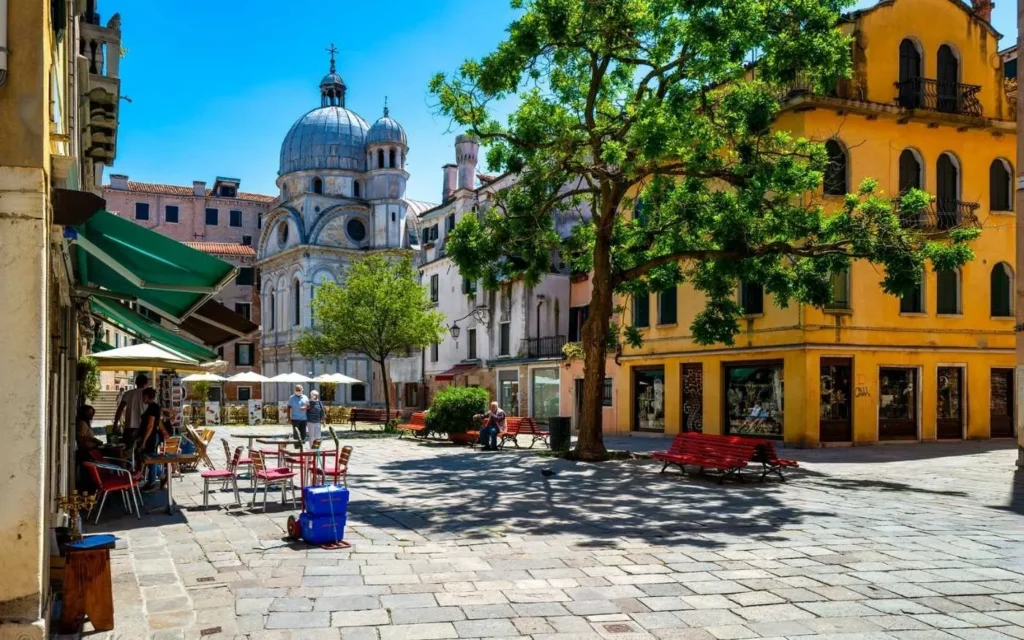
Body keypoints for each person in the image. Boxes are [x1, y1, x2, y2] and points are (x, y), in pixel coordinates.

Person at [138, 387, 169, 491]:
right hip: (152, 436)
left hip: (151, 437)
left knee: (151, 459)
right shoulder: (153, 407)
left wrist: (144, 441)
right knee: (151, 459)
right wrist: (164, 432)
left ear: (146, 396)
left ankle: (152, 483)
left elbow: (150, 425)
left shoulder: (152, 407)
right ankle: (162, 477)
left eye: (143, 396)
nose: (142, 398)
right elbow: (158, 422)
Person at [114, 374, 149, 453]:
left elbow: (120, 409)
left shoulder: (128, 394)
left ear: (136, 382)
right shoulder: (149, 395)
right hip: (145, 427)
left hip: (130, 426)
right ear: (146, 383)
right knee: (143, 452)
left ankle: (130, 465)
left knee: (128, 452)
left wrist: (115, 423)